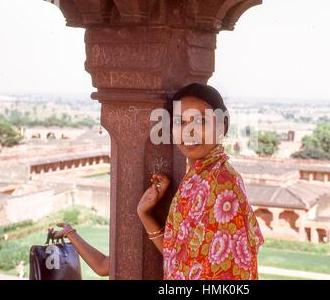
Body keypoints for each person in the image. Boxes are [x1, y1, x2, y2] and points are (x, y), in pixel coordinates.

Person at [52, 83, 264, 280]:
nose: (189, 131)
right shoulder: (197, 178)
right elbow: (179, 257)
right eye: (181, 121)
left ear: (222, 126)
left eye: (201, 121)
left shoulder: (223, 183)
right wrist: (144, 214)